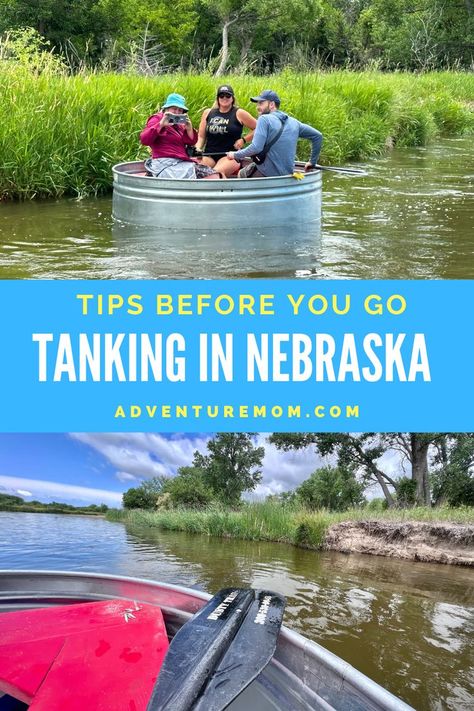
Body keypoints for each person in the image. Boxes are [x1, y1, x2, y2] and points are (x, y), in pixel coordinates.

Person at [226, 90, 323, 178]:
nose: (257, 107)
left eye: (261, 103)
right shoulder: (294, 122)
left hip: (267, 174)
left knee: (240, 174)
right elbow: (317, 136)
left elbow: (256, 147)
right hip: (287, 175)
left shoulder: (264, 119)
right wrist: (312, 162)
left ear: (272, 104)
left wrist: (235, 155)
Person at [140, 93, 217, 179]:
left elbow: (191, 142)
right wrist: (161, 124)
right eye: (174, 109)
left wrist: (189, 129)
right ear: (166, 109)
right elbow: (144, 140)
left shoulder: (179, 123)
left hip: (181, 162)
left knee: (215, 175)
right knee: (212, 177)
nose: (177, 112)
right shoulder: (157, 118)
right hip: (165, 163)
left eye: (180, 110)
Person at [196, 85, 257, 178]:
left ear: (232, 98)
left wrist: (243, 140)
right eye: (221, 96)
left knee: (215, 173)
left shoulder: (239, 113)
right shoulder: (208, 113)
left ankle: (224, 190)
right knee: (196, 170)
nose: (224, 98)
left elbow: (259, 128)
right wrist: (197, 150)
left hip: (230, 156)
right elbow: (201, 137)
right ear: (217, 98)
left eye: (228, 96)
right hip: (209, 154)